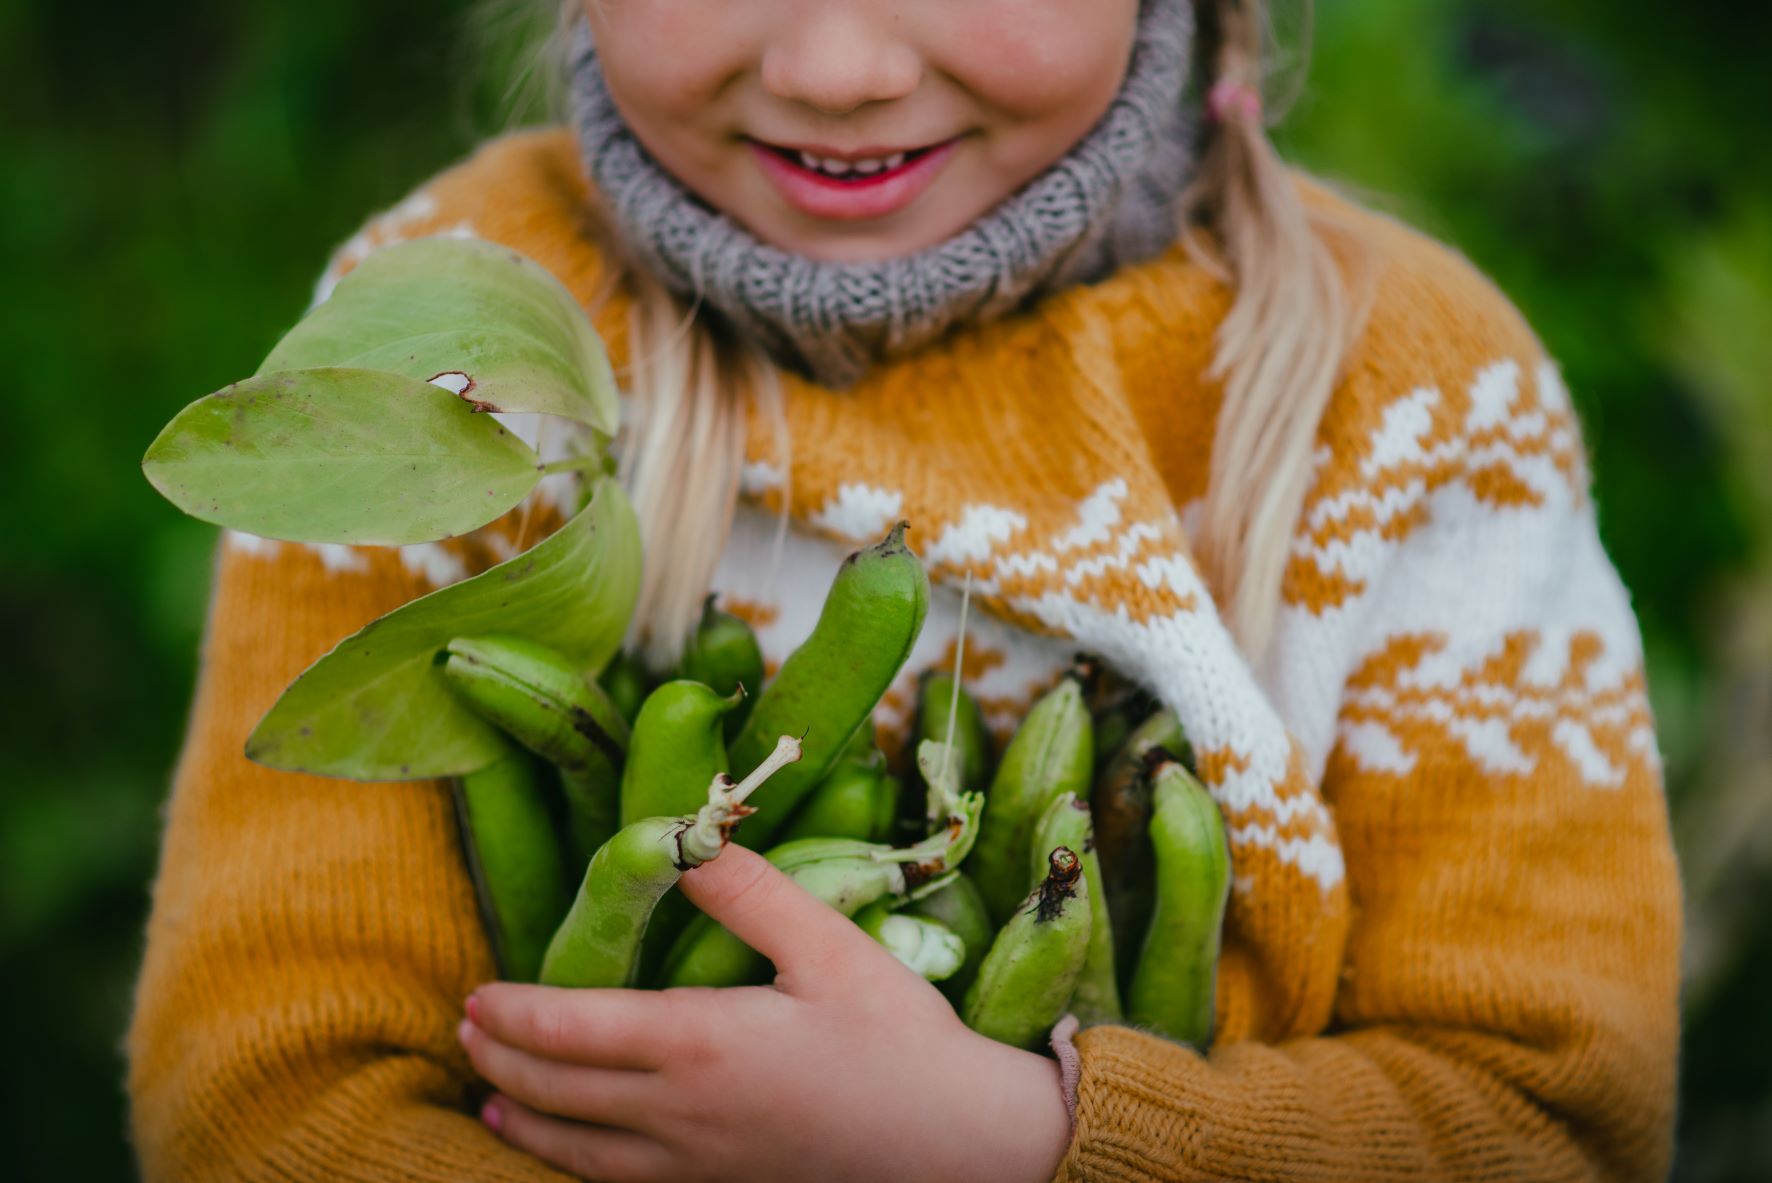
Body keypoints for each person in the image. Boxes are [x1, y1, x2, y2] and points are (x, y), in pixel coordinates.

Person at [125, 1, 1681, 1180]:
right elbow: (268, 1099)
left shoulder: (1410, 406)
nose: (837, 67)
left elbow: (1553, 1121)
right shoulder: (446, 348)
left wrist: (1019, 1142)